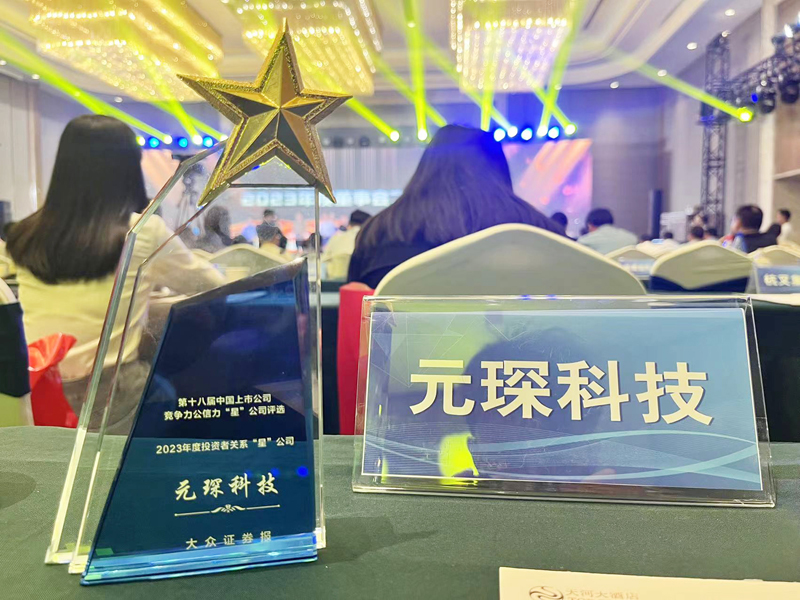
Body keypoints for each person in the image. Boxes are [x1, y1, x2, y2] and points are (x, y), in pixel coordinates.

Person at [6, 115, 224, 433]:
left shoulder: (24, 233)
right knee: (170, 392)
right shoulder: (141, 231)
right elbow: (211, 284)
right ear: (129, 168)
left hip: (38, 391)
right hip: (110, 396)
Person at [348, 125, 564, 288]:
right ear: (500, 169)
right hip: (519, 338)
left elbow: (357, 319)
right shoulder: (543, 232)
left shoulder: (376, 234)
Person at [322, 209, 370, 280]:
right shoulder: (370, 240)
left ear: (349, 225)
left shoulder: (335, 239)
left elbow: (323, 262)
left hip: (334, 283)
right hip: (362, 282)